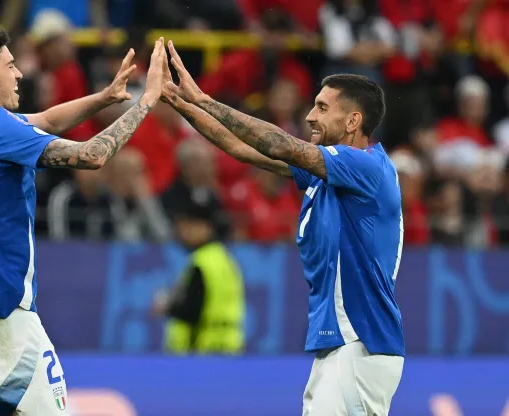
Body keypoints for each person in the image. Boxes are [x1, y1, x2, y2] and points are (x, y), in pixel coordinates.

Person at [161, 43, 405, 415]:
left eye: (322, 107)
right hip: (344, 347)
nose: (310, 116)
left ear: (353, 121)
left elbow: (279, 144)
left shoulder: (364, 167)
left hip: (361, 343)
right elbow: (242, 149)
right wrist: (183, 105)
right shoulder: (333, 174)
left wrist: (205, 100)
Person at [0, 29, 166, 415]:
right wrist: (145, 102)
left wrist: (105, 97)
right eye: (10, 66)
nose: (20, 74)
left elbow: (42, 120)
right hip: (1, 317)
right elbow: (92, 155)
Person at [152, 191, 245, 355]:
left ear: (206, 227)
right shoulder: (224, 258)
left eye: (189, 225)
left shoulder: (201, 262)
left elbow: (193, 309)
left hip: (205, 348)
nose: (183, 232)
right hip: (229, 346)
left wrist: (168, 307)